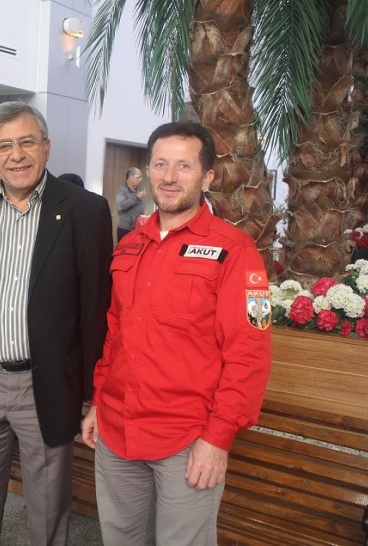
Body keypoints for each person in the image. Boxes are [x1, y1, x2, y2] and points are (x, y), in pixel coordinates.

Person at [81, 121, 272, 545]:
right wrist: (98, 401)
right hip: (117, 429)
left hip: (187, 439)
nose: (169, 177)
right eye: (160, 164)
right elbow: (115, 335)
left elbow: (250, 354)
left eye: (184, 166)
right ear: (148, 171)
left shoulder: (237, 251)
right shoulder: (130, 245)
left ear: (207, 177)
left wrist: (218, 438)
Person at [0, 101, 113, 545]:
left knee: (48, 508)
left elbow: (95, 309)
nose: (16, 155)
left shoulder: (86, 210)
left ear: (47, 147)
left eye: (26, 142)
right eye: (3, 146)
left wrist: (92, 394)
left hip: (47, 383)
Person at [115, 167, 146, 241]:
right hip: (125, 229)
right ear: (130, 177)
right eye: (138, 177)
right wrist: (136, 197)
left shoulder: (137, 191)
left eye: (141, 177)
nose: (140, 180)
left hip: (137, 229)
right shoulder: (122, 191)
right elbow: (120, 206)